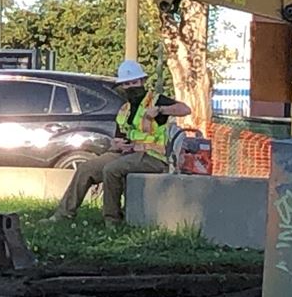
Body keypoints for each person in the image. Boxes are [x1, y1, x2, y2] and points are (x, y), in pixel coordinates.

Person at [57, 60, 191, 222]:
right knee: (86, 169)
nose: (130, 87)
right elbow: (119, 137)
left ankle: (112, 220)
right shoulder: (125, 109)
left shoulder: (156, 100)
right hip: (126, 153)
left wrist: (161, 110)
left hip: (153, 156)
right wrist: (117, 144)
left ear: (142, 81)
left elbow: (185, 109)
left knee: (112, 170)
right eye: (126, 84)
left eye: (134, 82)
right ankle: (63, 214)